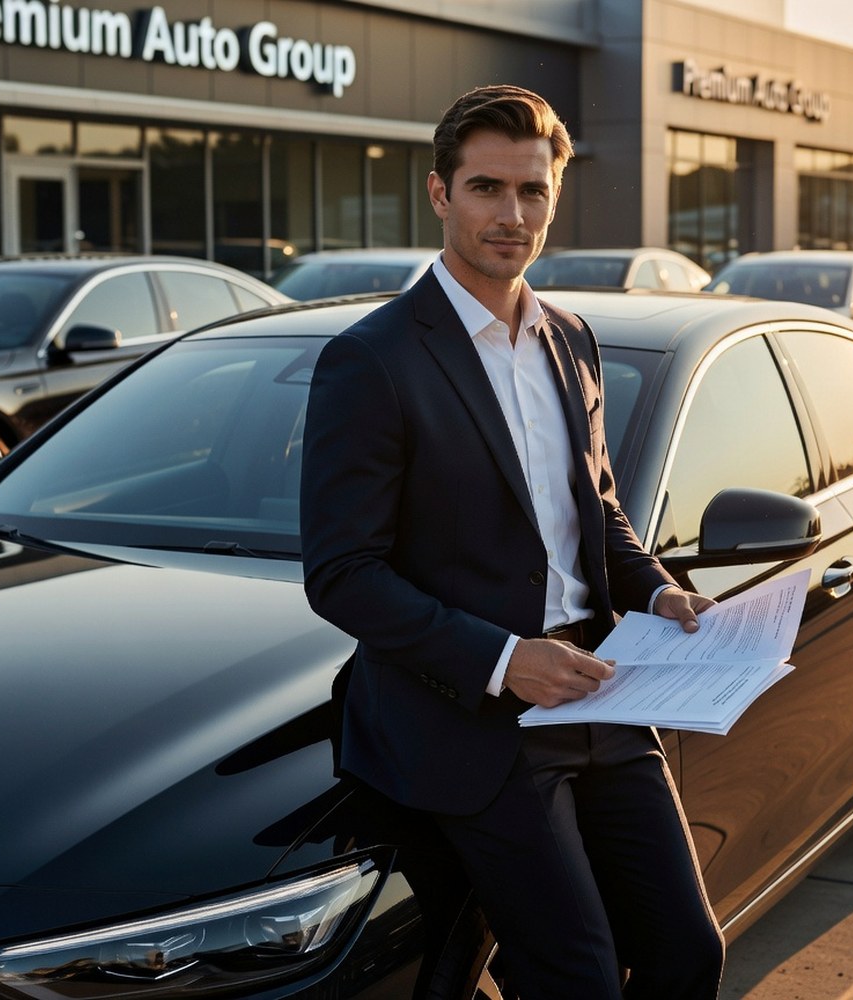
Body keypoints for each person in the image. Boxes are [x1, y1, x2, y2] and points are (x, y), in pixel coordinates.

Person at [299, 84, 725, 999]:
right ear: (439, 194)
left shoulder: (572, 340)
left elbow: (597, 515)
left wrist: (658, 591)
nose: (512, 214)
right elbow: (343, 574)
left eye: (533, 192)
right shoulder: (372, 361)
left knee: (690, 952)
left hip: (601, 690)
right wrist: (502, 660)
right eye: (488, 188)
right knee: (578, 978)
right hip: (469, 715)